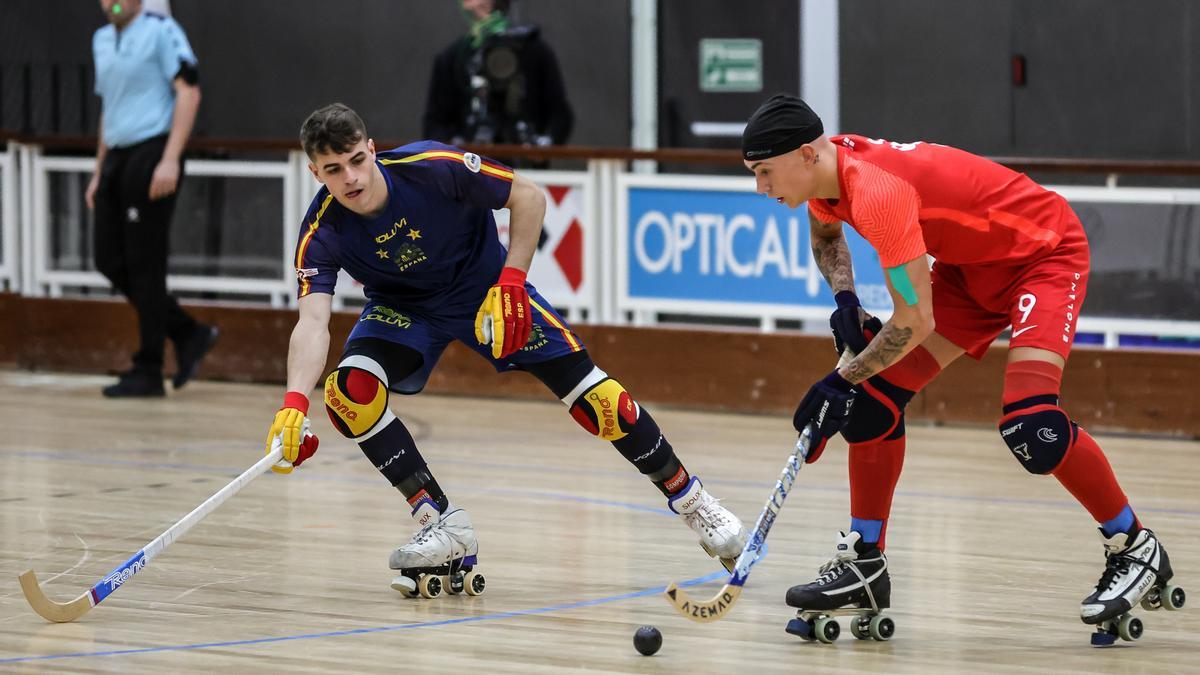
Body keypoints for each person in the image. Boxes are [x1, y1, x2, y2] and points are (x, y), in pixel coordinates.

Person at [741, 94, 1179, 639]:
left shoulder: (878, 193)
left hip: (1043, 257)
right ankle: (865, 563)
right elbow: (827, 236)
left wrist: (839, 379)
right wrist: (846, 303)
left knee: (1032, 426)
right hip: (972, 275)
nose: (761, 188)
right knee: (870, 406)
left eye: (764, 173)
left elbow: (913, 320)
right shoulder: (825, 177)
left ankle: (1135, 547)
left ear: (805, 154)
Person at [265, 103, 745, 596]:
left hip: (486, 294)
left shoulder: (432, 167)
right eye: (332, 170)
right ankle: (441, 520)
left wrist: (513, 280)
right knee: (349, 394)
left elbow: (528, 196)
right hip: (404, 311)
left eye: (355, 160)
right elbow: (313, 321)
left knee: (603, 405)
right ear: (314, 172)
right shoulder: (320, 232)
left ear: (371, 149)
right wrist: (294, 403)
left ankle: (693, 501)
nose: (350, 178)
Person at [87, 0, 218, 397]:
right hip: (117, 156)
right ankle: (187, 331)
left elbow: (188, 93)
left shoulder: (162, 32)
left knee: (146, 263)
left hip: (152, 152)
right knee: (108, 259)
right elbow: (109, 108)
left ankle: (149, 367)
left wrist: (170, 159)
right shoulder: (101, 40)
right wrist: (98, 170)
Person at [422, 0, 574, 147]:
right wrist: (454, 150)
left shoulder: (533, 50)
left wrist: (544, 146)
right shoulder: (453, 57)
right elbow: (435, 122)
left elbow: (560, 114)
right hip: (470, 163)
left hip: (525, 163)